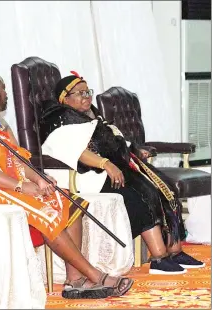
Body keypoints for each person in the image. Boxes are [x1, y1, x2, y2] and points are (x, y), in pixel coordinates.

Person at [0, 70, 134, 299]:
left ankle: (75, 281)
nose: (6, 94)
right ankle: (95, 275)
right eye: (2, 88)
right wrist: (22, 187)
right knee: (47, 212)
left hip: (3, 186)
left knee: (69, 202)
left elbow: (16, 159)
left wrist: (38, 178)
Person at [39, 72, 205, 275]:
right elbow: (77, 151)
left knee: (161, 187)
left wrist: (133, 151)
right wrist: (106, 164)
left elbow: (114, 141)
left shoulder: (92, 117)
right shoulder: (60, 118)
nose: (87, 96)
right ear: (64, 98)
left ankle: (174, 250)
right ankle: (159, 257)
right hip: (87, 178)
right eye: (80, 93)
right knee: (138, 195)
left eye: (88, 92)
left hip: (108, 172)